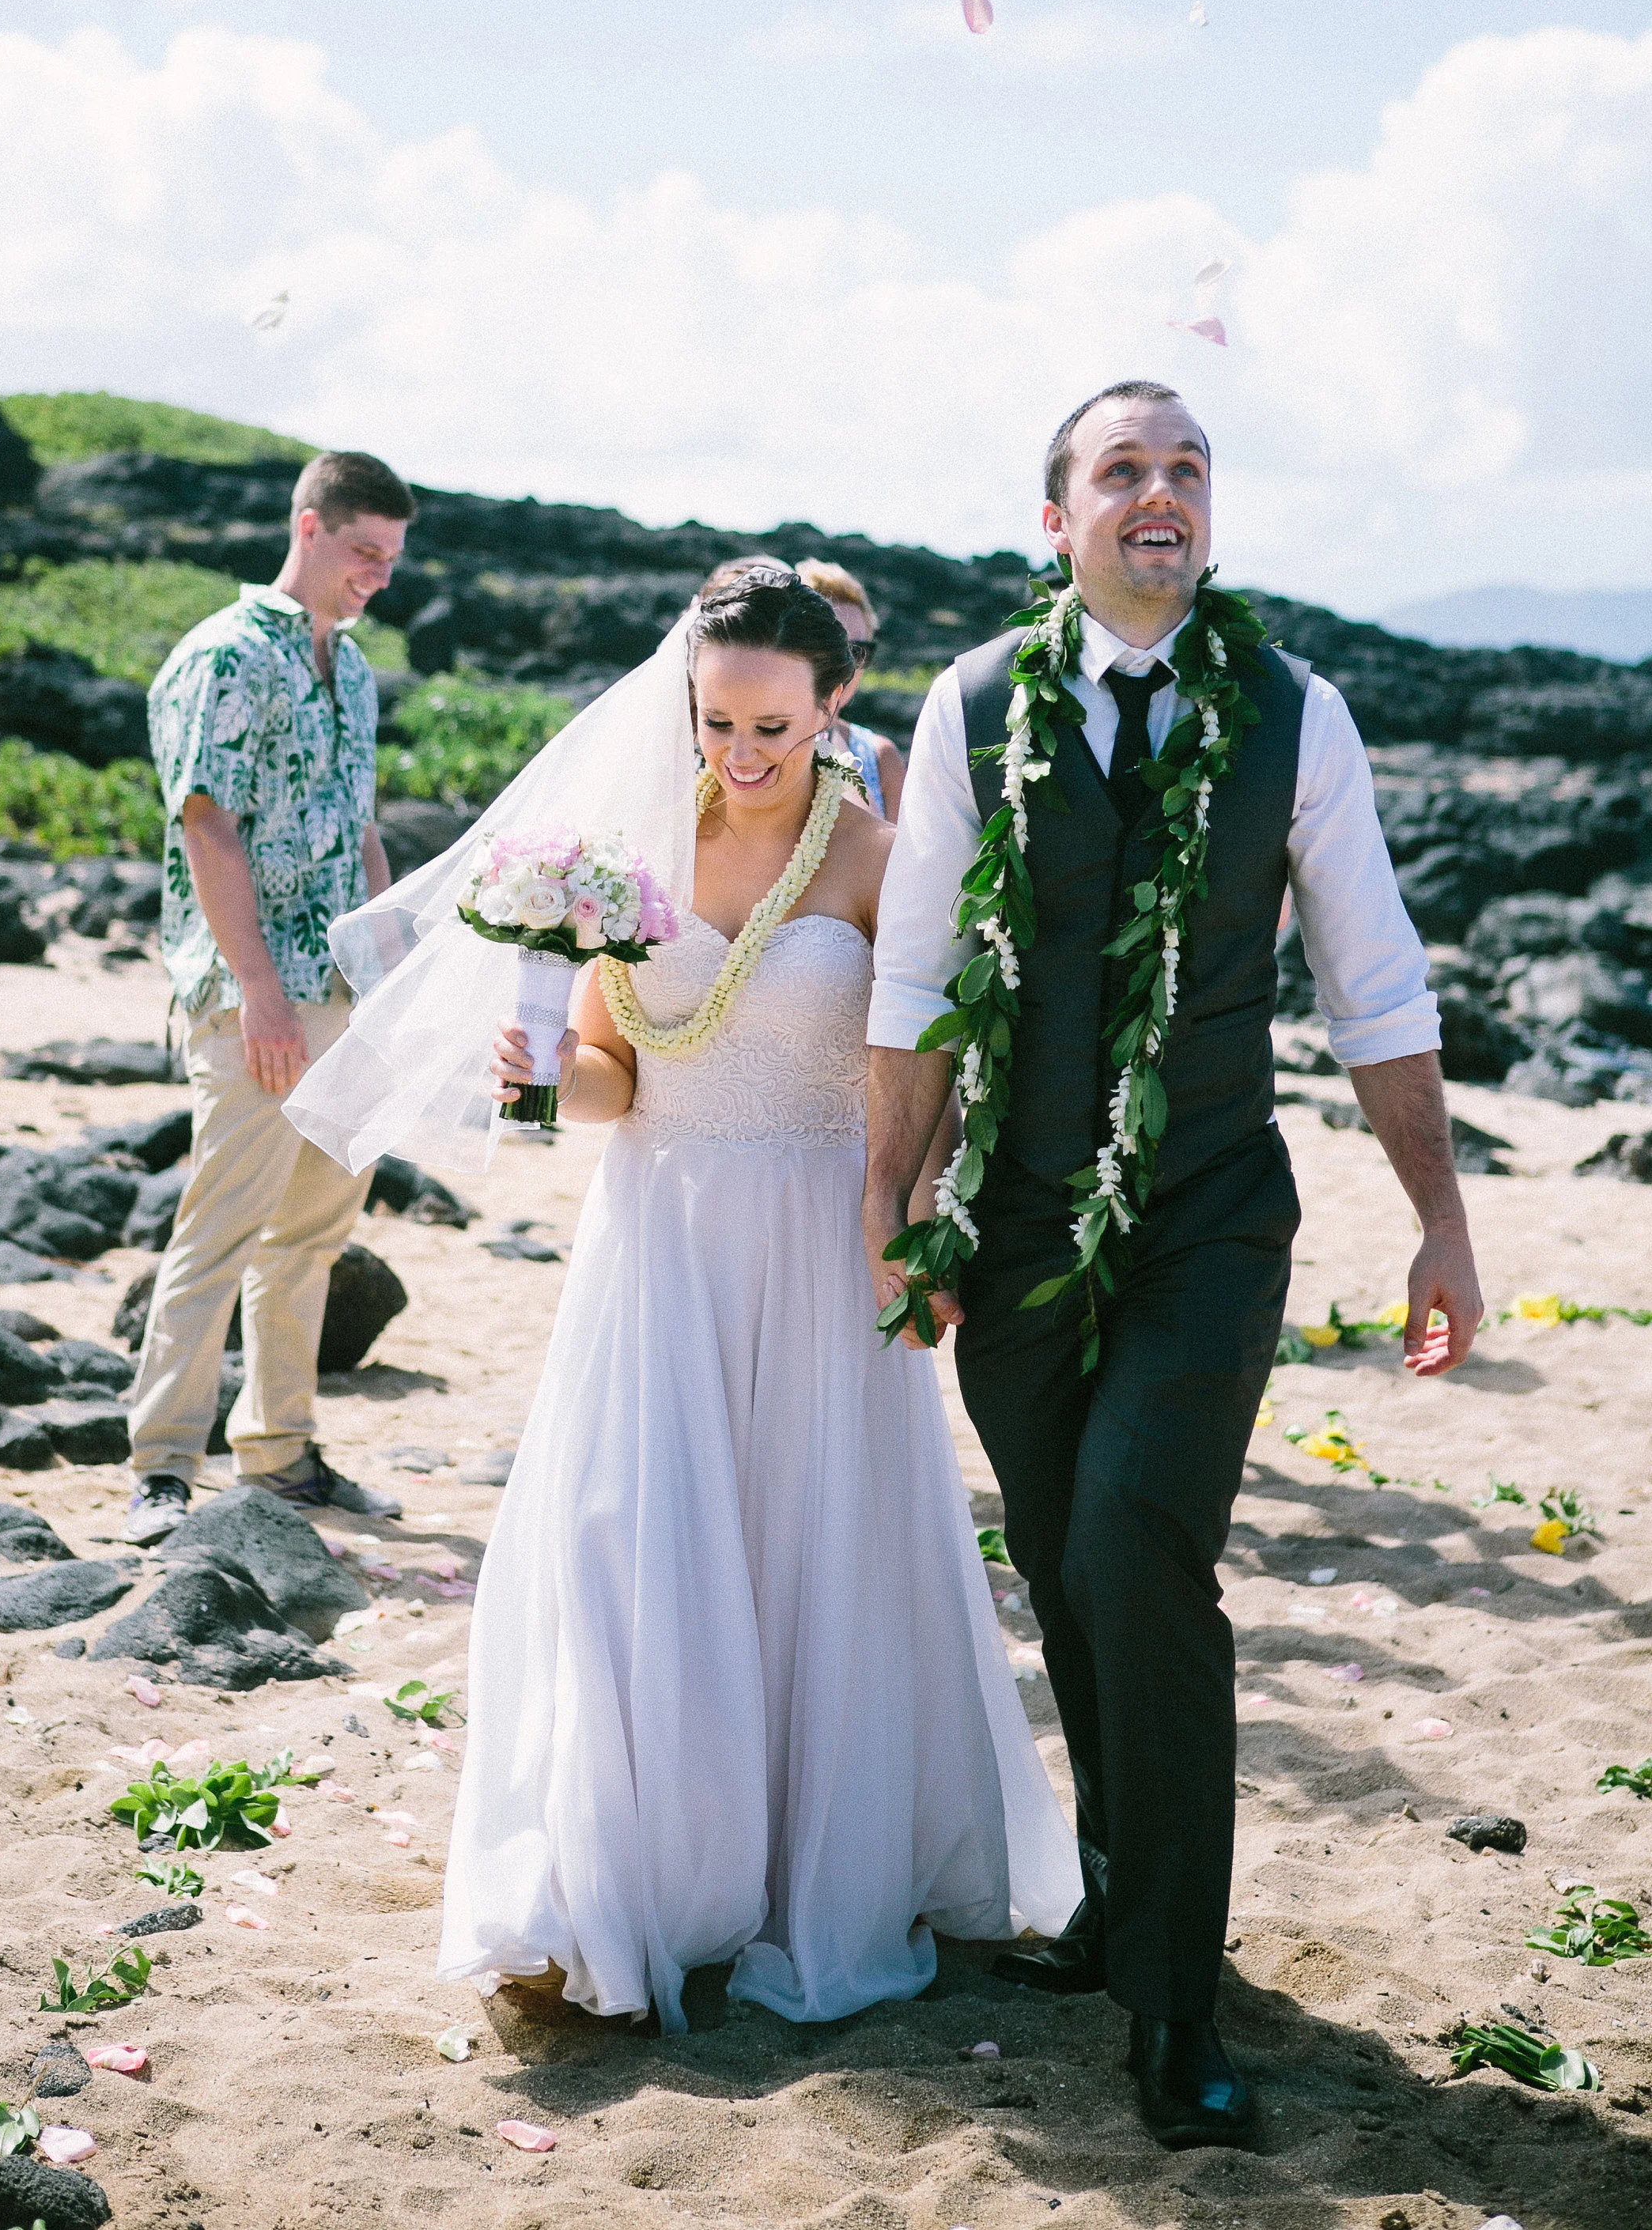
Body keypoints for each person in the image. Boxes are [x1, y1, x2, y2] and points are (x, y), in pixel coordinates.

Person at [289, 569, 1079, 2028]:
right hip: (655, 1237)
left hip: (814, 1237)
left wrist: (916, 1220)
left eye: (773, 723)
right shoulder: (627, 855)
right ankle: (648, 1871)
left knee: (810, 1553)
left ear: (835, 702)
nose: (741, 753)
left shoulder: (879, 857)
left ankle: (803, 1871)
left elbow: (937, 1068)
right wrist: (538, 1084)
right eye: (716, 721)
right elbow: (611, 1078)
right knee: (625, 1547)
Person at [862, 383, 1484, 2150]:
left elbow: (1369, 983)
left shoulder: (1295, 712)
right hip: (1012, 1212)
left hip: (1208, 1206)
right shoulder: (977, 699)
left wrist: (1435, 1215)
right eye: (1119, 470)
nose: (1159, 493)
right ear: (1053, 517)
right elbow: (913, 979)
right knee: (1064, 1559)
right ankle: (1121, 1890)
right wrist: (890, 1210)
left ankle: (1175, 1999)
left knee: (1139, 1537)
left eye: (1185, 469)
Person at [122, 449, 418, 1546]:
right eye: (363, 553)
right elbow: (207, 823)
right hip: (255, 993)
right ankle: (160, 1464)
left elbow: (361, 827)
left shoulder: (354, 670)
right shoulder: (226, 658)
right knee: (222, 1226)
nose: (378, 576)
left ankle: (281, 1450)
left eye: (391, 560)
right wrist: (261, 994)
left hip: (343, 987)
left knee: (312, 1236)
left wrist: (393, 974)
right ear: (308, 529)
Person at [796, 558, 906, 819]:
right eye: (830, 646)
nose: (846, 664)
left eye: (859, 651)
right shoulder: (751, 751)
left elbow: (900, 859)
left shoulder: (881, 758)